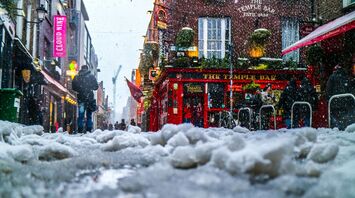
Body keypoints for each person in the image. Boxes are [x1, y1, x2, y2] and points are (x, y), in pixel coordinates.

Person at [72, 65, 99, 133]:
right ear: (87, 69)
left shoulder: (77, 76)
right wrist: (90, 87)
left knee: (81, 115)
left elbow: (73, 87)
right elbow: (96, 87)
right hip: (89, 98)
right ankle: (88, 129)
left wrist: (80, 89)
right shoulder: (91, 76)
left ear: (81, 69)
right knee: (89, 115)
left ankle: (80, 129)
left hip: (81, 98)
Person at [326, 65, 352, 130]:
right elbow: (350, 89)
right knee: (344, 119)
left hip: (334, 101)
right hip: (345, 102)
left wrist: (328, 100)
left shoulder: (332, 77)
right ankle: (343, 130)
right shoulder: (346, 77)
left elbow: (328, 90)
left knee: (335, 120)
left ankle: (336, 131)